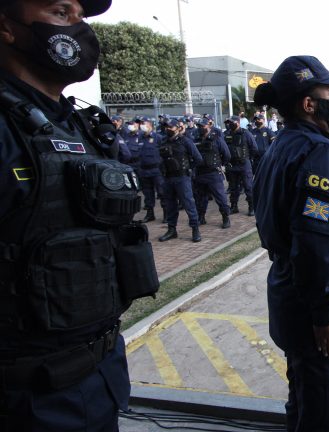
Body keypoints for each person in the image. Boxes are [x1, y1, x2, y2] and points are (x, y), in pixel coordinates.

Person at [0, 0, 160, 429]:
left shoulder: (79, 125)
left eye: (81, 16)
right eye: (60, 12)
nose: (79, 27)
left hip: (97, 377)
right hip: (27, 397)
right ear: (7, 27)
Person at [251, 55, 329, 432]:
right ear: (308, 103)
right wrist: (325, 312)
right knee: (324, 414)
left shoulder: (281, 145)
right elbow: (314, 245)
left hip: (290, 295)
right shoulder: (318, 152)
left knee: (303, 402)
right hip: (316, 311)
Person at [158, 118, 203, 242]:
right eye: (166, 127)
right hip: (168, 178)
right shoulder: (163, 141)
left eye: (170, 127)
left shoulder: (185, 141)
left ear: (178, 128)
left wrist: (188, 169)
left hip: (182, 177)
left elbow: (198, 158)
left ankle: (195, 229)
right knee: (170, 205)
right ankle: (172, 230)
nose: (168, 129)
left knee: (189, 204)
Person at [193, 118, 231, 228]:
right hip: (200, 173)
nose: (200, 128)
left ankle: (225, 217)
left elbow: (226, 154)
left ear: (208, 126)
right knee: (200, 198)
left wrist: (220, 165)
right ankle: (201, 217)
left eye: (203, 126)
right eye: (199, 126)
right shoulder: (196, 139)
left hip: (213, 173)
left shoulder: (216, 138)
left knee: (221, 198)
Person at [224, 115, 259, 216]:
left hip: (244, 164)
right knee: (233, 187)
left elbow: (254, 148)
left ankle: (251, 207)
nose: (230, 124)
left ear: (238, 123)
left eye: (232, 122)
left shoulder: (246, 133)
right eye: (229, 123)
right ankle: (234, 206)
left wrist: (247, 158)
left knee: (248, 186)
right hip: (232, 165)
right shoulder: (227, 134)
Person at [137, 116, 165, 223]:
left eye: (143, 123)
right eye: (140, 123)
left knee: (162, 193)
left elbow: (164, 152)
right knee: (148, 194)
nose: (141, 125)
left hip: (156, 170)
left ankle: (166, 214)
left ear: (150, 124)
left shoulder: (158, 138)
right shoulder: (140, 137)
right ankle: (150, 214)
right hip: (144, 170)